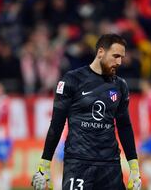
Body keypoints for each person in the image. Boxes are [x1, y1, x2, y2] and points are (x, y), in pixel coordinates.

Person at [31, 34, 141, 190]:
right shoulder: (72, 80)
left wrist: (134, 168)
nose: (119, 62)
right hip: (78, 163)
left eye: (121, 57)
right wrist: (45, 164)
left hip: (110, 165)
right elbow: (56, 124)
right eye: (115, 56)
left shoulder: (120, 85)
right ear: (101, 52)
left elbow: (124, 127)